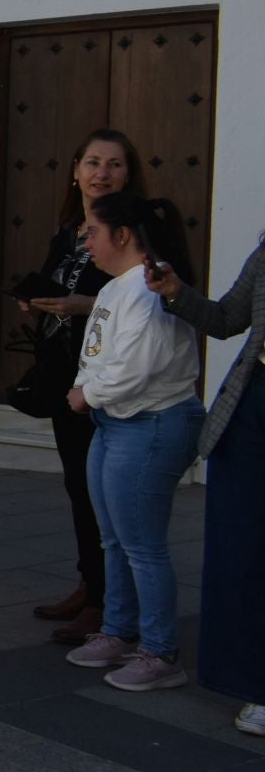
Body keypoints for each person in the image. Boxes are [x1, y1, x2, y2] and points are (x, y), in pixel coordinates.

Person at [62, 192, 203, 693]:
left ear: (122, 235)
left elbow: (134, 367)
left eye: (92, 233)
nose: (87, 242)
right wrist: (88, 391)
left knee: (143, 547)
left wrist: (87, 395)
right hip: (115, 424)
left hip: (151, 425)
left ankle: (161, 652)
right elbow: (100, 352)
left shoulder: (148, 287)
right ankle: (118, 632)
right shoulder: (115, 288)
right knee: (115, 539)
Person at [22, 131, 146, 643]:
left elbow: (143, 299)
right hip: (65, 372)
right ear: (75, 170)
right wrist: (36, 300)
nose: (102, 173)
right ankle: (90, 585)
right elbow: (62, 285)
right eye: (92, 162)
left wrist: (81, 306)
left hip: (107, 378)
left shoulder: (137, 228)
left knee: (104, 495)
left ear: (128, 175)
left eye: (114, 164)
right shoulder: (69, 230)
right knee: (78, 485)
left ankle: (107, 602)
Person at [151, 230, 265, 735]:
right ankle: (253, 684)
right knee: (240, 548)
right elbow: (227, 319)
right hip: (252, 411)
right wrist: (175, 291)